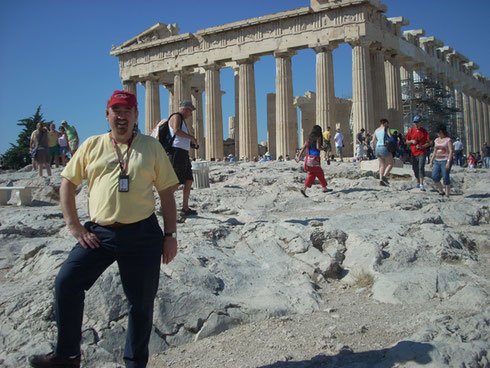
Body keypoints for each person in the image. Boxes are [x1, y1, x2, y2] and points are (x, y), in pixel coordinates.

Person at [28, 90, 179, 368]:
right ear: (107, 115)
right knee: (67, 282)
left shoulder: (151, 146)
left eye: (127, 111)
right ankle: (68, 356)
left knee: (141, 304)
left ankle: (134, 364)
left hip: (143, 234)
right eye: (116, 111)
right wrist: (74, 226)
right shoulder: (92, 145)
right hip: (100, 233)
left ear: (135, 115)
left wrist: (170, 236)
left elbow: (167, 194)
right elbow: (68, 184)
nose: (121, 116)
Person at [167, 101, 199, 217]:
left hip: (184, 153)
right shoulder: (176, 116)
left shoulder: (183, 120)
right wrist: (191, 137)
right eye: (191, 111)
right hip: (177, 152)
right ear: (186, 109)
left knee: (189, 180)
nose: (191, 114)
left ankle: (185, 207)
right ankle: (163, 205)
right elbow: (176, 131)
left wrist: (190, 141)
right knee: (177, 181)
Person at [295, 125, 333, 197]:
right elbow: (318, 147)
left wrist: (298, 157)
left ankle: (324, 187)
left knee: (318, 173)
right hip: (315, 159)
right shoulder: (318, 138)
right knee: (314, 174)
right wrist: (324, 148)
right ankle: (304, 188)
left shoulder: (309, 139)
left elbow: (303, 148)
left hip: (308, 160)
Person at [406, 115, 431, 191]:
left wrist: (422, 146)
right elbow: (406, 141)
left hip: (422, 152)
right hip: (413, 152)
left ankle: (421, 183)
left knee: (421, 167)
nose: (416, 124)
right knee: (415, 168)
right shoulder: (411, 131)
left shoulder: (424, 131)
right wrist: (411, 141)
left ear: (420, 122)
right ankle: (418, 181)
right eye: (415, 122)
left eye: (417, 122)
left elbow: (429, 142)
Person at [429, 124, 454, 197]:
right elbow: (435, 151)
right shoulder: (436, 140)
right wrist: (431, 161)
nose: (438, 133)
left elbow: (451, 151)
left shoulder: (448, 140)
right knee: (434, 176)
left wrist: (448, 162)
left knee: (445, 176)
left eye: (439, 132)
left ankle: (447, 193)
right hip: (437, 160)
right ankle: (440, 190)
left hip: (445, 160)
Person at [372, 119, 394, 187]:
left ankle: (381, 180)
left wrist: (374, 149)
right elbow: (390, 136)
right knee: (391, 163)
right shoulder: (386, 128)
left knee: (382, 165)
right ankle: (385, 176)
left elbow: (373, 141)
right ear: (385, 123)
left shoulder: (376, 130)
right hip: (384, 147)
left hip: (377, 147)